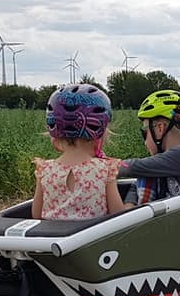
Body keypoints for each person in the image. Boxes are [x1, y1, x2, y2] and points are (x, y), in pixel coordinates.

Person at [31, 83, 126, 220]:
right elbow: (117, 217)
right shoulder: (105, 170)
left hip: (54, 240)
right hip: (92, 240)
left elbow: (36, 215)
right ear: (99, 132)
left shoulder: (45, 170)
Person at [119, 90, 180, 205]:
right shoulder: (161, 166)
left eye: (145, 132)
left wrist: (100, 168)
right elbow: (135, 186)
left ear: (160, 128)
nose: (145, 141)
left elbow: (133, 167)